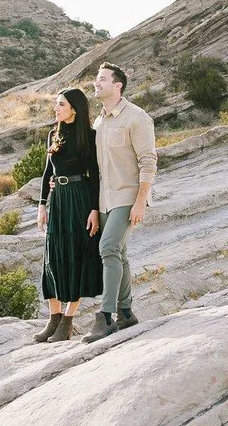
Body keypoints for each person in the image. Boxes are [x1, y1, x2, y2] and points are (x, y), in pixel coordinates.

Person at [86, 61, 156, 343]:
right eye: (96, 79)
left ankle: (105, 316)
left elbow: (149, 162)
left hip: (128, 196)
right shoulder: (99, 122)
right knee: (120, 253)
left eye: (102, 79)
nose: (96, 83)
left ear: (118, 86)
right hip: (105, 199)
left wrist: (141, 201)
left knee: (108, 247)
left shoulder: (137, 118)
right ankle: (126, 312)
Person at [32, 87, 103, 343]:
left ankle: (68, 320)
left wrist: (94, 209)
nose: (56, 108)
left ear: (74, 107)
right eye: (56, 104)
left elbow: (94, 176)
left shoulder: (90, 136)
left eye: (60, 104)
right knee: (52, 257)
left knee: (75, 255)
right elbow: (46, 174)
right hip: (58, 199)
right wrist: (42, 205)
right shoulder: (53, 134)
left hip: (79, 198)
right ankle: (53, 318)